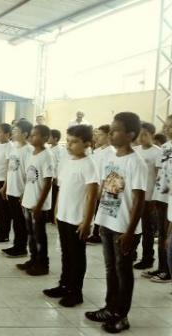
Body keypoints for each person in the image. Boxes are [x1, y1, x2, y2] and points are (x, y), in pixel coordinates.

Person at [85, 112, 146, 334]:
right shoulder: (109, 157)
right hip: (107, 221)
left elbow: (139, 200)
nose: (111, 133)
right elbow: (105, 190)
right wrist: (98, 219)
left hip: (124, 227)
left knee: (123, 271)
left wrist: (130, 232)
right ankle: (110, 308)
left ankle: (122, 316)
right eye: (110, 128)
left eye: (117, 130)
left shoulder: (136, 162)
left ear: (130, 135)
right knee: (111, 269)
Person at [43, 125, 98, 307]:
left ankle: (76, 292)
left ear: (87, 144)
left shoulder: (89, 164)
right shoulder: (67, 161)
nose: (70, 145)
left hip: (77, 219)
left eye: (75, 142)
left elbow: (92, 195)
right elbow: (62, 189)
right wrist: (57, 211)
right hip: (64, 216)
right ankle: (64, 285)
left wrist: (87, 221)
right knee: (66, 254)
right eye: (69, 141)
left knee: (76, 256)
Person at [16, 125, 54, 276]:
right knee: (30, 234)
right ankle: (33, 259)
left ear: (45, 138)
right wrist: (24, 195)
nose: (31, 137)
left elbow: (48, 181)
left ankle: (42, 264)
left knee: (39, 235)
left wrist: (39, 204)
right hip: (28, 200)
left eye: (35, 135)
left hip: (39, 204)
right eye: (30, 135)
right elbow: (29, 178)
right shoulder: (32, 153)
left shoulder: (47, 155)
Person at [132, 123, 163, 275]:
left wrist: (154, 199)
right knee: (132, 226)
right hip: (134, 195)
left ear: (152, 134)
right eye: (139, 134)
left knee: (147, 229)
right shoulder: (135, 151)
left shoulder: (158, 153)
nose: (141, 138)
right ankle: (132, 253)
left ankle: (147, 258)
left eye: (145, 134)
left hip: (149, 197)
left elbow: (158, 178)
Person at [0, 120, 34, 254]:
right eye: (13, 131)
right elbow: (10, 168)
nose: (13, 133)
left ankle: (21, 247)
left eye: (16, 131)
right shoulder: (14, 147)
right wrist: (5, 186)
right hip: (11, 189)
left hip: (21, 191)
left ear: (25, 134)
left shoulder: (29, 150)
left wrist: (25, 192)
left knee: (21, 221)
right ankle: (17, 244)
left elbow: (30, 173)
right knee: (15, 219)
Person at [147, 115, 172, 282]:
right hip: (160, 195)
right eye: (166, 126)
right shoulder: (165, 146)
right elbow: (159, 171)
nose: (166, 129)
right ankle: (162, 267)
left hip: (170, 198)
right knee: (162, 235)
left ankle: (168, 271)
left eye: (170, 126)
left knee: (168, 236)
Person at [87, 125, 115, 244]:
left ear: (108, 136)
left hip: (104, 186)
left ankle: (98, 234)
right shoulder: (98, 151)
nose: (96, 137)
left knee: (101, 209)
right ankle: (95, 232)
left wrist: (102, 188)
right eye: (96, 134)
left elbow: (108, 173)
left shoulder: (111, 152)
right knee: (95, 209)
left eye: (100, 134)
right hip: (95, 183)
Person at [47, 129, 66, 224]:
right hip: (50, 176)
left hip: (55, 177)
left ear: (55, 138)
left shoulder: (59, 150)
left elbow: (59, 165)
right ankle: (49, 215)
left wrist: (56, 177)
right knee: (49, 196)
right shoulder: (49, 148)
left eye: (49, 136)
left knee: (53, 197)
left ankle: (52, 216)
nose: (48, 138)